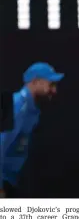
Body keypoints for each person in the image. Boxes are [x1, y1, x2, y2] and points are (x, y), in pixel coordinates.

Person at [0, 62, 64, 198]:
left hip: (13, 182)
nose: (54, 90)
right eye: (51, 84)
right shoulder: (15, 105)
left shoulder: (33, 110)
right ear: (35, 82)